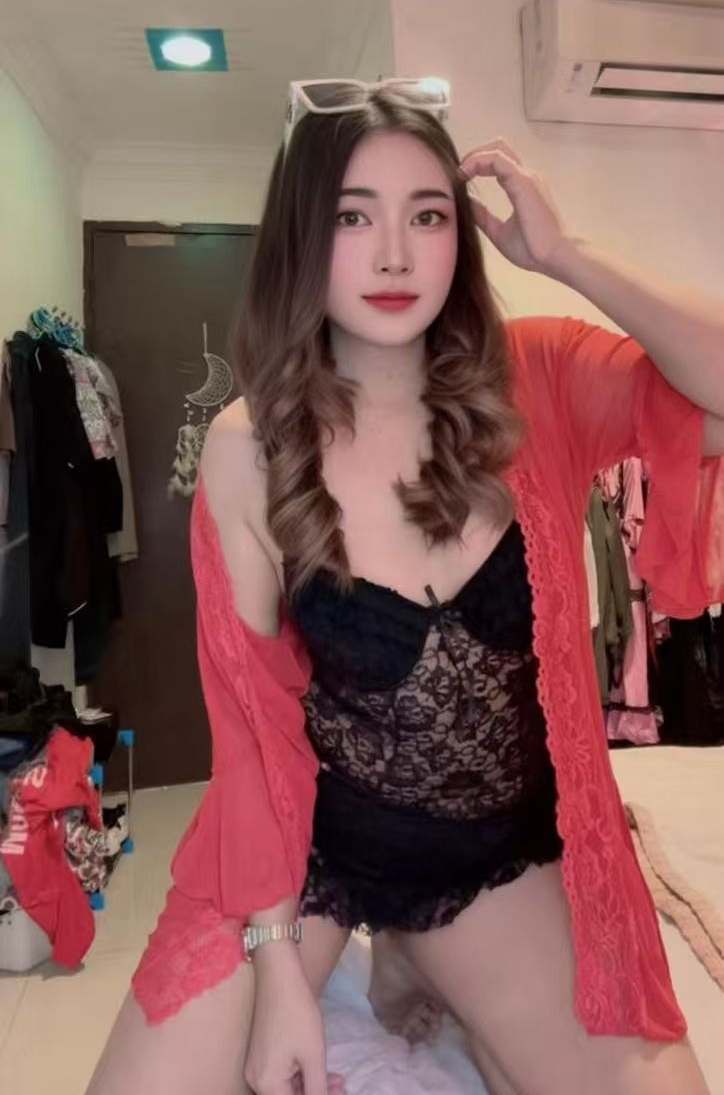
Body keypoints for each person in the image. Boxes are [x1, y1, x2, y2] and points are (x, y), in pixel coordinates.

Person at [87, 79, 724, 1095]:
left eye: (427, 216)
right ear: (304, 237)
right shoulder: (251, 447)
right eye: (353, 217)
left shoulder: (536, 381)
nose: (394, 255)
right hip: (311, 850)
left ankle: (417, 951)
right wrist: (279, 975)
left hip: (495, 859)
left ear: (459, 240)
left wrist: (567, 254)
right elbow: (253, 738)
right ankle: (385, 949)